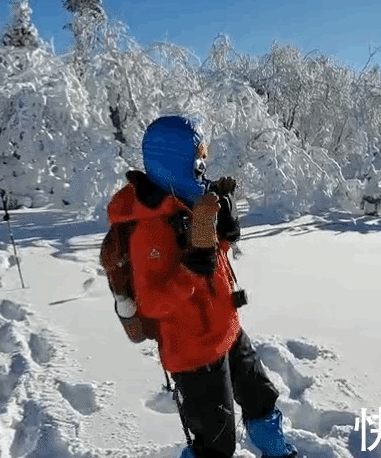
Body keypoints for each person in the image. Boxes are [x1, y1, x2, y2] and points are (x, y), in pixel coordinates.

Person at [104, 115, 297, 458]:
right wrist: (188, 273)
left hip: (226, 326)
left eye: (203, 158)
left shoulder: (187, 201)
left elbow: (207, 259)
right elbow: (153, 304)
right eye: (196, 159)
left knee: (260, 397)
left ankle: (278, 452)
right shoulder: (149, 229)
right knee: (216, 444)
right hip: (193, 350)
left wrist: (225, 233)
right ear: (173, 161)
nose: (202, 167)